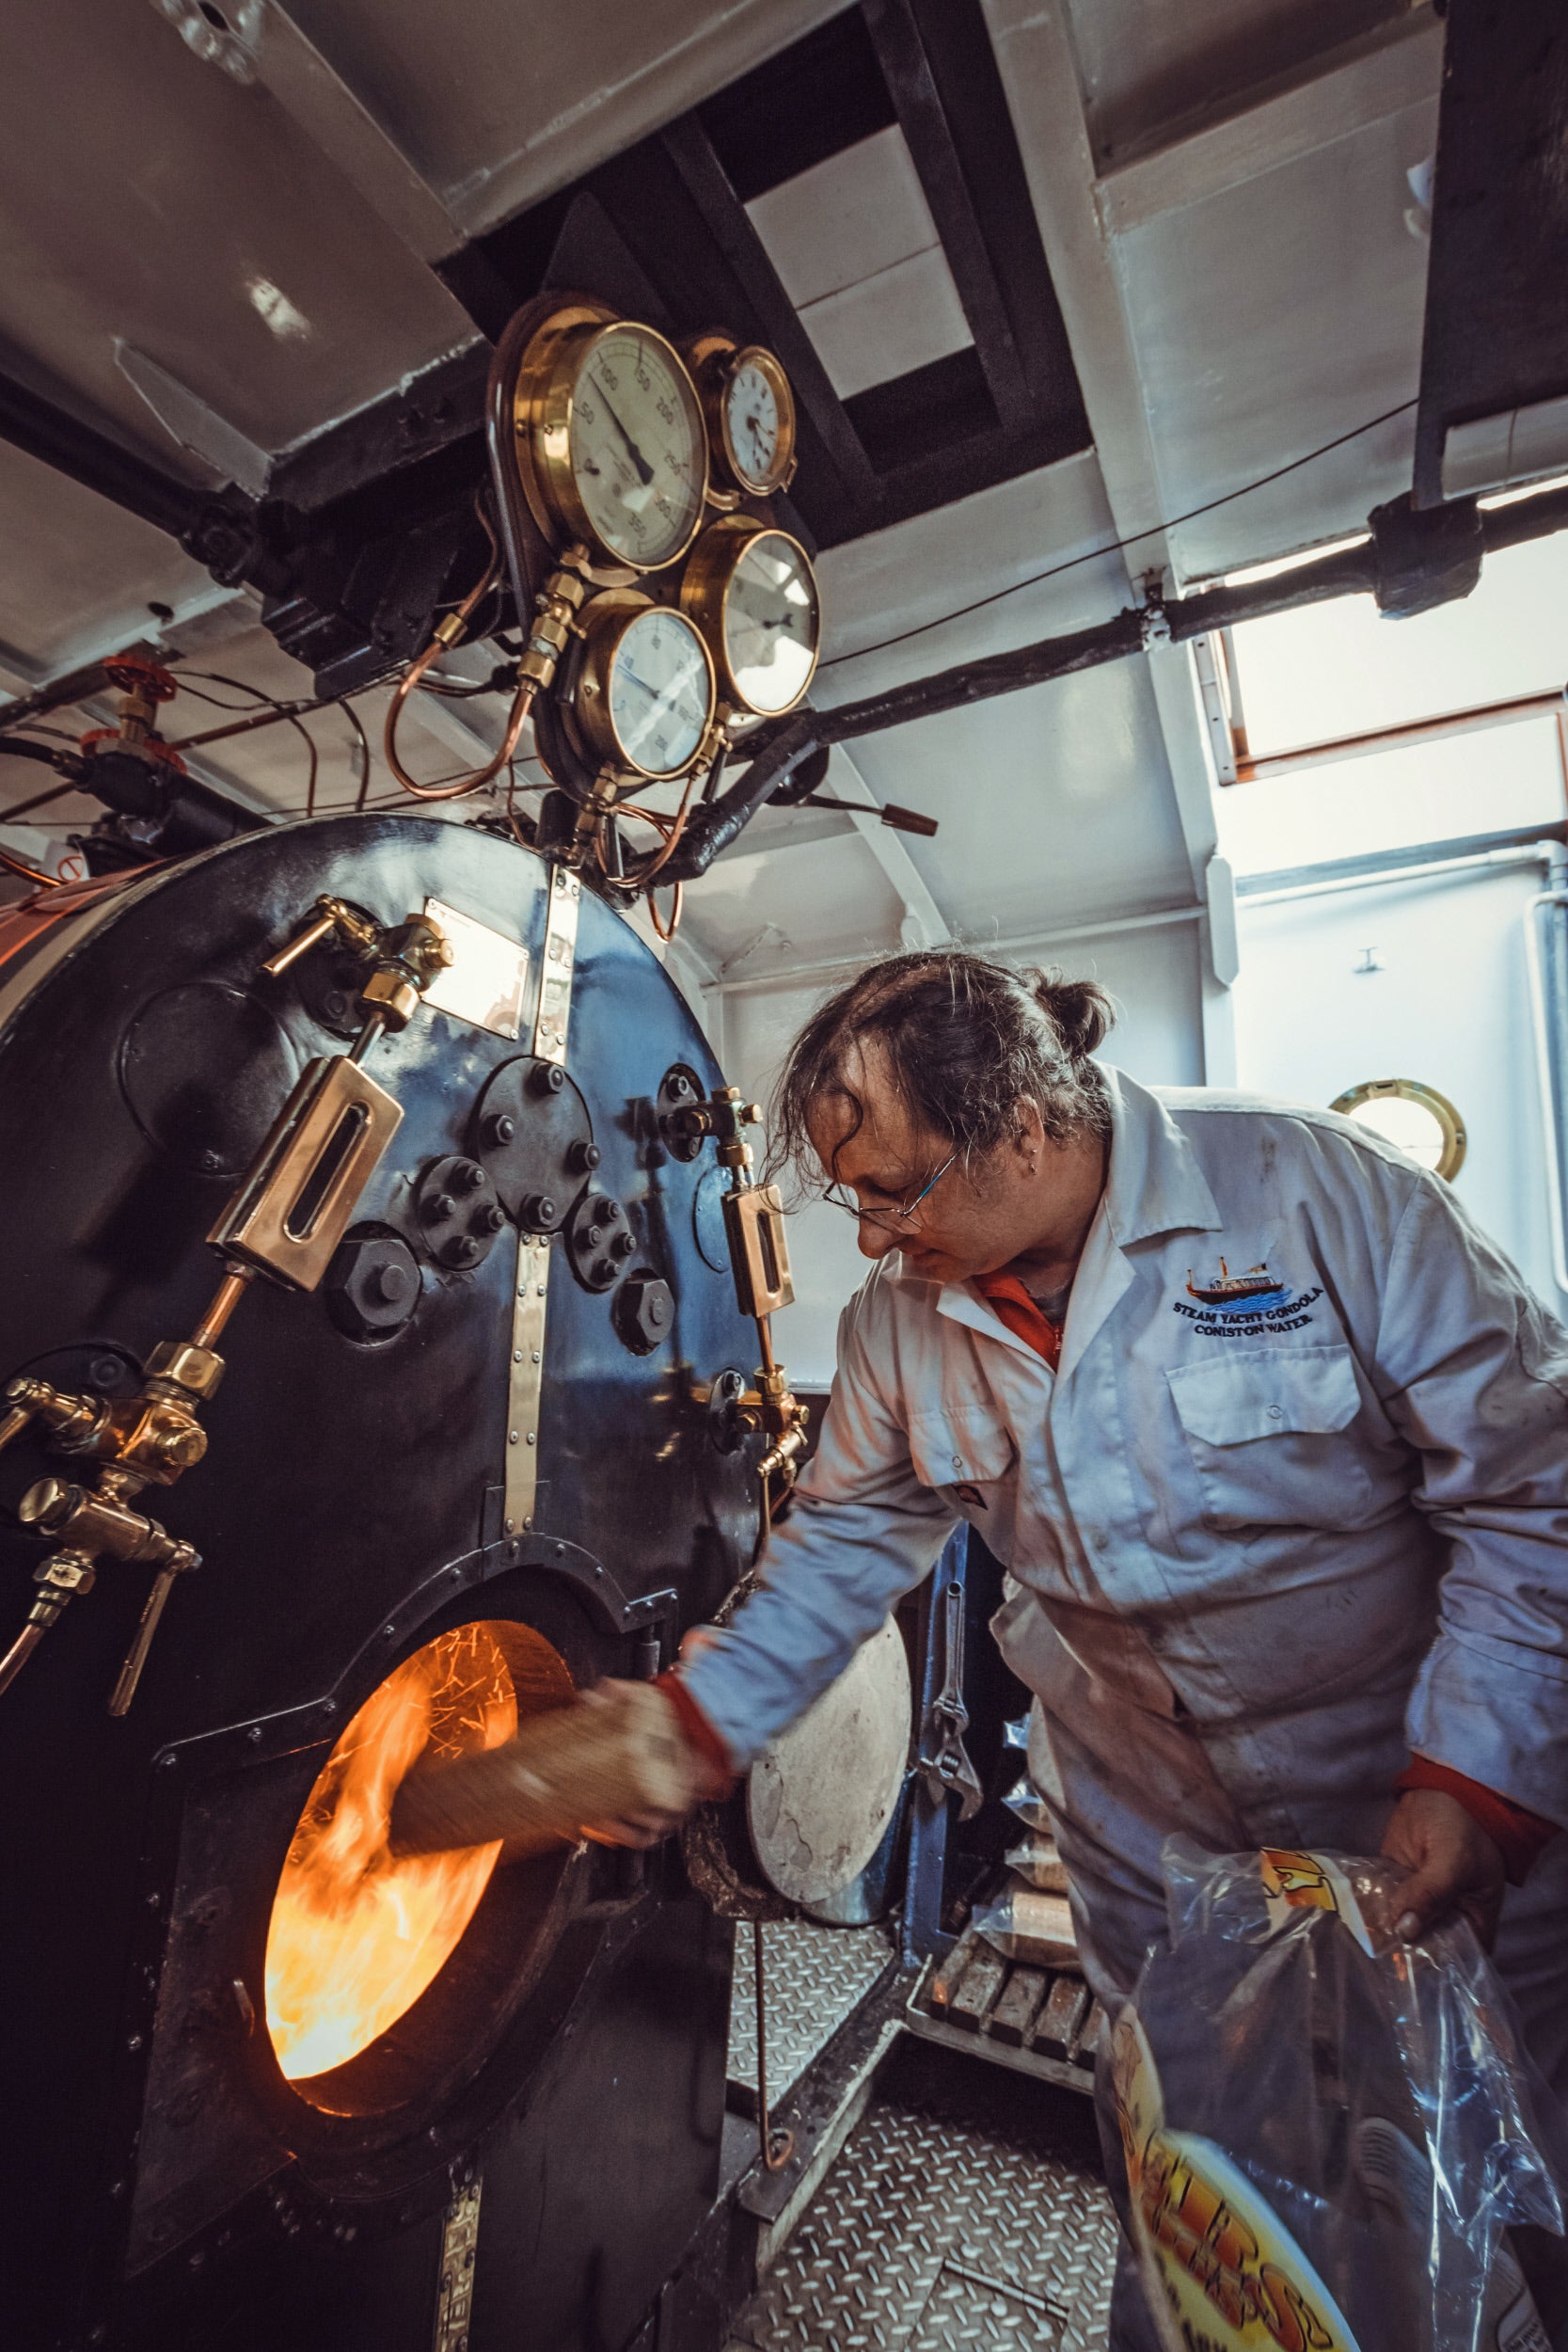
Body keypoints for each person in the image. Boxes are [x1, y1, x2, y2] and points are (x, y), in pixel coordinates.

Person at [588, 951, 1568, 2340]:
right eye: (850, 1197)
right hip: (1153, 1846)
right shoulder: (895, 1336)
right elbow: (833, 1562)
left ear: (1027, 1130)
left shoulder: (1309, 1191)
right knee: (1203, 2209)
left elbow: (1535, 1492)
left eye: (893, 1190)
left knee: (1502, 2193)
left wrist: (1477, 1780)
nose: (868, 1240)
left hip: (1418, 1819)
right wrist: (693, 1724)